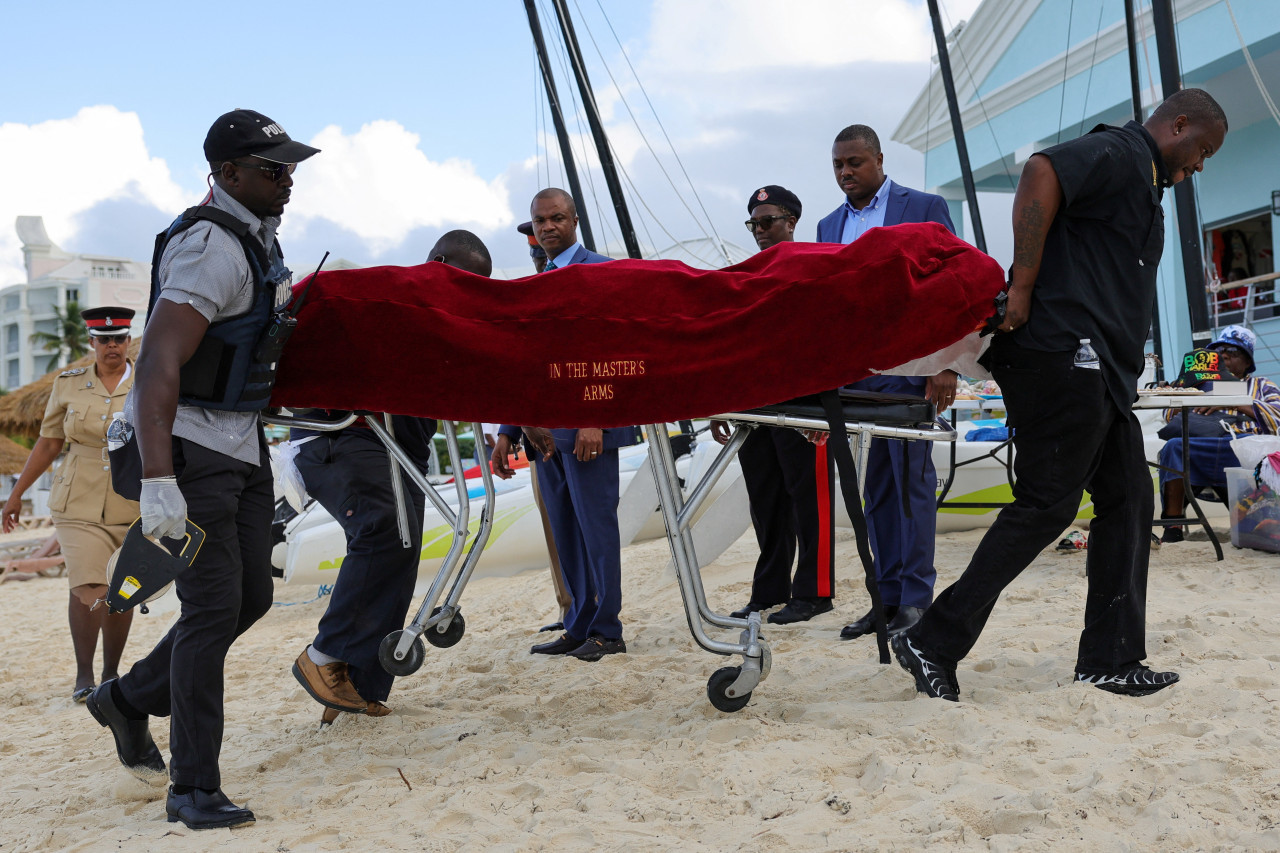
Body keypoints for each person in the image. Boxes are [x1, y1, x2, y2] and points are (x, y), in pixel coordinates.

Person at [893, 88, 1229, 701]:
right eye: (1201, 148)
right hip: (1063, 355)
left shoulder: (1145, 180)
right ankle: (932, 639)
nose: (1200, 164)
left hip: (1101, 373)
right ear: (1177, 124)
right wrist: (1021, 286)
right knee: (1048, 505)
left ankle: (1110, 659)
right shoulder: (1123, 152)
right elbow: (1041, 171)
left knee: (1130, 496)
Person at [86, 108, 319, 829]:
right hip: (188, 452)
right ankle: (192, 787)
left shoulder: (259, 241)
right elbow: (158, 361)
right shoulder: (209, 248)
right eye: (272, 168)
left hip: (240, 448)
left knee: (249, 597)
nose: (288, 179)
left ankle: (122, 699)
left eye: (289, 167)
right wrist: (159, 481)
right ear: (227, 174)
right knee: (212, 608)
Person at [290, 231, 492, 725]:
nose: (471, 293)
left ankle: (360, 685)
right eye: (467, 279)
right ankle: (323, 657)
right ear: (437, 264)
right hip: (342, 438)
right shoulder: (400, 299)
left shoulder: (445, 319)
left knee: (402, 550)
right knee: (383, 529)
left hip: (395, 452)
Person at [815, 124, 957, 636]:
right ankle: (887, 598)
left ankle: (917, 600)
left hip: (917, 369)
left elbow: (951, 286)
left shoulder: (923, 207)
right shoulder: (828, 227)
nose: (845, 172)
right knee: (873, 489)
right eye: (838, 165)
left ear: (878, 159)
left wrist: (948, 363)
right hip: (858, 378)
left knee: (912, 487)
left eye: (854, 162)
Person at [491, 188, 629, 662]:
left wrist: (597, 420)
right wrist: (508, 429)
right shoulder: (536, 280)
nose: (547, 227)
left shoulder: (600, 272)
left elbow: (612, 354)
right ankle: (577, 624)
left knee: (596, 530)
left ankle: (607, 630)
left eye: (556, 219)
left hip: (586, 430)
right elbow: (526, 363)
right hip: (541, 436)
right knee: (564, 533)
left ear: (574, 220)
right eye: (539, 221)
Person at [2, 307, 139, 702]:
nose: (111, 346)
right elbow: (47, 443)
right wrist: (15, 495)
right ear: (91, 343)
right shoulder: (68, 385)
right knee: (89, 586)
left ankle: (111, 673)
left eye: (118, 339)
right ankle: (84, 675)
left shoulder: (148, 381)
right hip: (76, 498)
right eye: (103, 339)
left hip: (132, 500)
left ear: (127, 342)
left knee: (121, 589)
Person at [713, 186, 836, 624]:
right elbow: (735, 343)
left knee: (810, 500)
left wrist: (826, 407)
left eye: (768, 222)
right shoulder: (745, 274)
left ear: (792, 222)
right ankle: (768, 593)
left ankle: (815, 592)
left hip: (805, 402)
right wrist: (724, 403)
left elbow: (829, 342)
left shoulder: (813, 268)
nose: (760, 231)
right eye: (754, 224)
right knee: (766, 504)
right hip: (755, 404)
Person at [1159, 325, 1280, 542]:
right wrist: (1187, 393)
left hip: (1242, 445)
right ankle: (1173, 525)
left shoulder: (1260, 385)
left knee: (1253, 451)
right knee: (1174, 446)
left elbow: (1276, 417)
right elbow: (1168, 415)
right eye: (1219, 351)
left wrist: (1230, 399)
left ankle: (1251, 522)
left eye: (1232, 352)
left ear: (1247, 361)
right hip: (1199, 445)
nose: (1223, 355)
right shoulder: (1198, 383)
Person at [511, 220, 569, 632]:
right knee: (553, 527)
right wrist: (507, 432)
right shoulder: (526, 298)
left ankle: (591, 606)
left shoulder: (576, 286)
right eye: (534, 256)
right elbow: (518, 372)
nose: (538, 262)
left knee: (583, 527)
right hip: (537, 439)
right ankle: (567, 606)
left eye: (542, 255)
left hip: (576, 432)